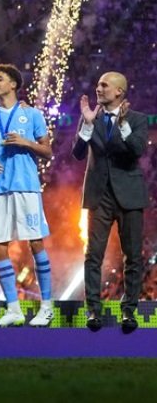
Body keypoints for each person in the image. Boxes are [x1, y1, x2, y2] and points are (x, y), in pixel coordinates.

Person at [0, 64, 54, 327]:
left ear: (13, 84)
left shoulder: (31, 114)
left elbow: (48, 151)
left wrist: (26, 143)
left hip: (26, 187)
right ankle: (13, 309)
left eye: (0, 79)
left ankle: (47, 307)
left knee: (35, 243)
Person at [73, 71, 148, 333]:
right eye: (97, 84)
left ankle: (129, 311)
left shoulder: (137, 119)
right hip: (99, 196)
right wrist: (87, 125)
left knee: (133, 257)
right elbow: (77, 153)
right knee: (93, 255)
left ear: (119, 91)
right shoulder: (91, 117)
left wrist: (124, 124)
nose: (98, 88)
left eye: (104, 85)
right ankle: (94, 309)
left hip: (129, 195)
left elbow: (137, 150)